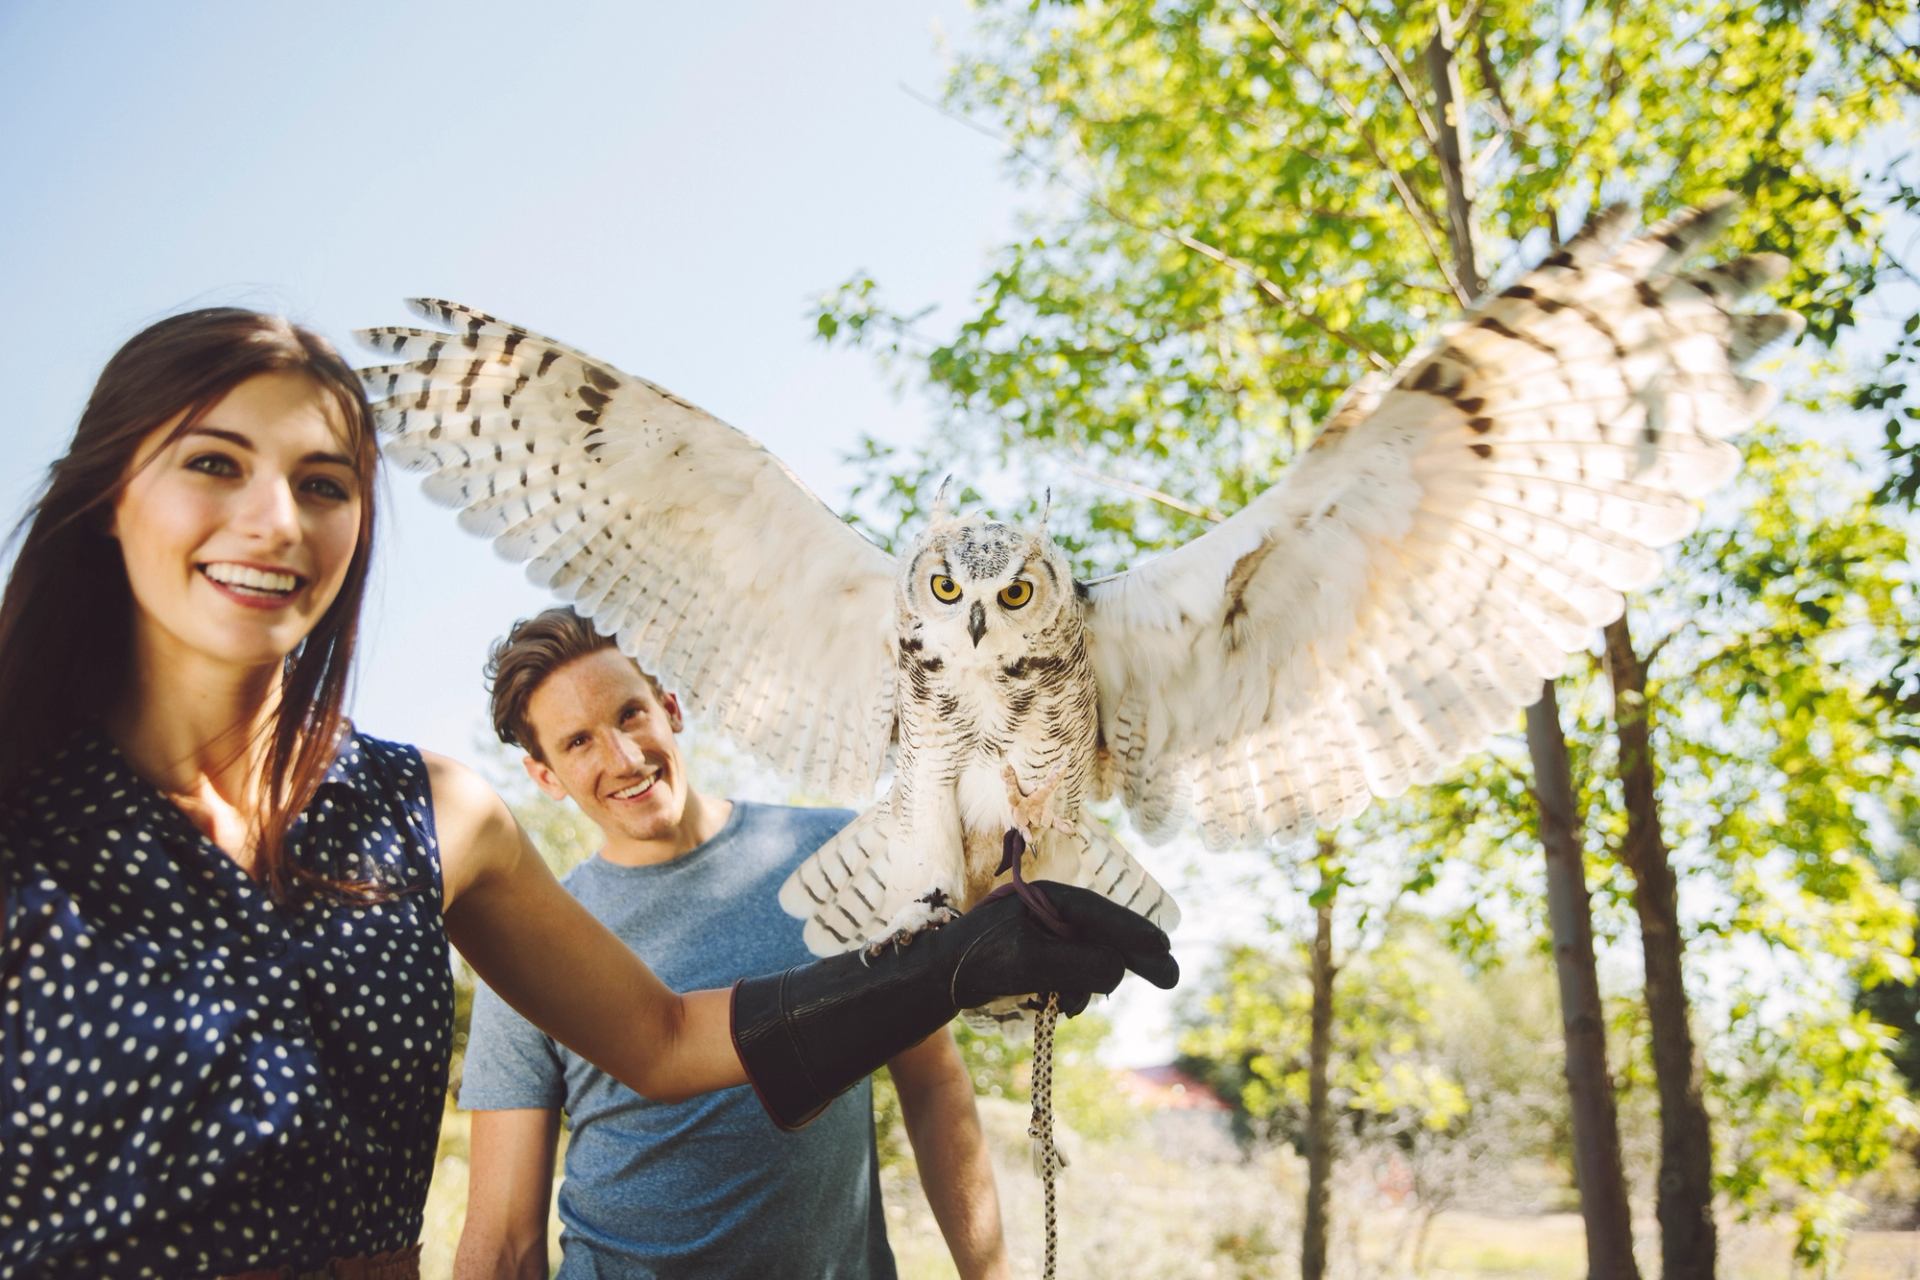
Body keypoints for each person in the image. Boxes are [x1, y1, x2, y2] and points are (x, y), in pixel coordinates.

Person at [0, 308, 1178, 1278]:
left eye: (324, 482)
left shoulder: (430, 816)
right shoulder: (24, 810)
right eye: (214, 461)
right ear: (110, 492)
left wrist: (948, 959)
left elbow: (663, 1036)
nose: (275, 519)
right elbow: (506, 1228)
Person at [455, 608, 1007, 1279]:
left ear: (670, 708)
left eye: (630, 714)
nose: (623, 758)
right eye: (578, 743)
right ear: (545, 778)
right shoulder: (530, 941)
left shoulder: (841, 857)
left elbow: (934, 1083)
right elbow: (505, 1241)